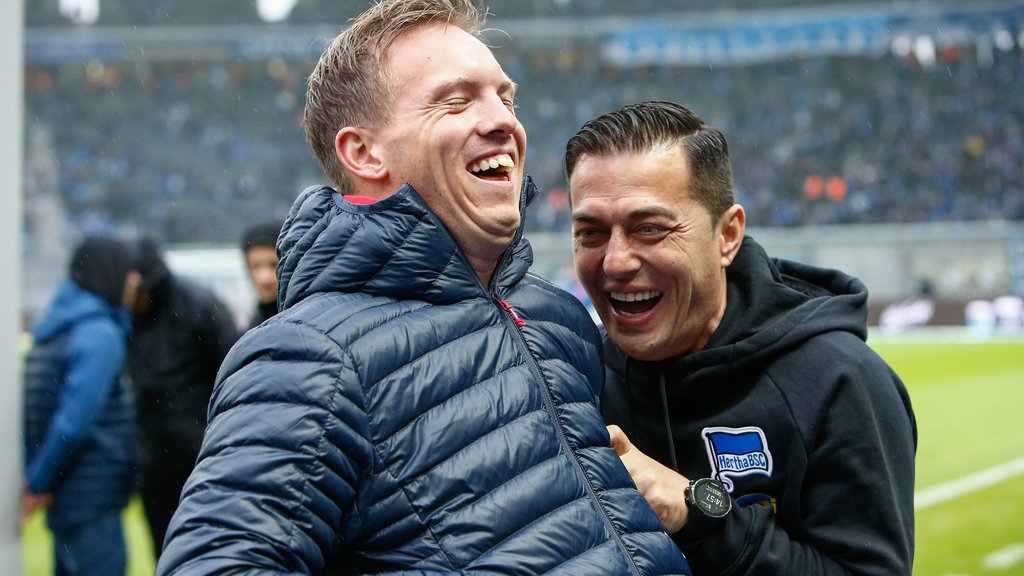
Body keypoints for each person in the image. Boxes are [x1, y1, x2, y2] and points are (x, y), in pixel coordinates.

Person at [156, 2, 691, 575]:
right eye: (456, 100)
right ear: (364, 153)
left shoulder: (554, 315)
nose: (503, 121)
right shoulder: (307, 358)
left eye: (506, 98)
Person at [565, 100, 917, 575]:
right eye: (591, 232)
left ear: (727, 235)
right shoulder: (577, 383)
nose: (615, 261)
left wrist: (696, 514)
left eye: (649, 228)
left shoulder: (839, 383)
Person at [21, 236, 140, 576]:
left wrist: (40, 477)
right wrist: (37, 483)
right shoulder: (100, 333)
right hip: (92, 494)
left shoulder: (55, 325)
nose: (134, 280)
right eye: (127, 270)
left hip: (67, 494)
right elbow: (74, 421)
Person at [127, 237, 240, 559]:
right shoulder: (134, 318)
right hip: (156, 462)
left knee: (207, 552)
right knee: (165, 552)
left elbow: (229, 375)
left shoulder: (199, 307)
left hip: (198, 457)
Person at [240, 220, 283, 330]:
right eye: (256, 266)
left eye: (273, 265)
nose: (265, 278)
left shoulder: (303, 320)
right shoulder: (251, 324)